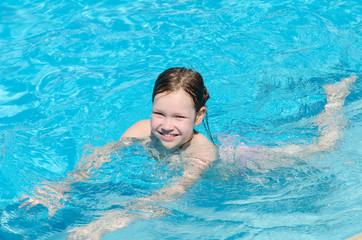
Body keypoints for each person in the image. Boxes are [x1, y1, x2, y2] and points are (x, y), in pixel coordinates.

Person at [18, 68, 357, 240]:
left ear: (198, 117)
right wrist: (62, 186)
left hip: (241, 161)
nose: (166, 126)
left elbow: (170, 194)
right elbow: (99, 156)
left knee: (322, 148)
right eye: (159, 113)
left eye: (179, 117)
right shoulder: (139, 130)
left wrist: (106, 223)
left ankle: (335, 99)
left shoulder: (202, 154)